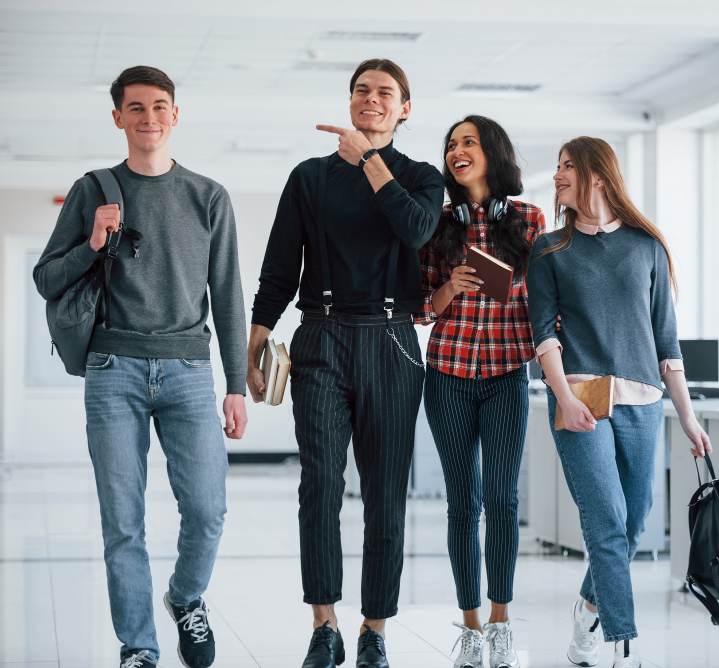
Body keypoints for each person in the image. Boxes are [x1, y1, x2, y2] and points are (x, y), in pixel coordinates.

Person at [33, 66, 248, 668]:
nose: (148, 117)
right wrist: (92, 245)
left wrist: (237, 387)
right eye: (136, 108)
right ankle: (139, 647)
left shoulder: (208, 196)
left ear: (175, 115)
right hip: (113, 370)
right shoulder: (92, 190)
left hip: (186, 371)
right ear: (118, 118)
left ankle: (184, 598)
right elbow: (46, 277)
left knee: (207, 510)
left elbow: (228, 295)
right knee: (123, 523)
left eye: (159, 106)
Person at [247, 59, 444, 668]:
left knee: (386, 495)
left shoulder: (420, 176)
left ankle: (374, 630)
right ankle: (325, 627)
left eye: (386, 93)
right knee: (321, 487)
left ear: (404, 108)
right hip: (322, 340)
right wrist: (252, 346)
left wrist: (369, 161)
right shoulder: (308, 178)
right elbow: (279, 267)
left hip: (393, 342)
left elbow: (415, 231)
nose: (372, 99)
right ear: (350, 101)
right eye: (362, 90)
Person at [526, 137, 712, 668]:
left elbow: (666, 344)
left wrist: (690, 418)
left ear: (598, 176)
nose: (558, 174)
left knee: (635, 519)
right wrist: (563, 397)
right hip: (579, 396)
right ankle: (621, 644)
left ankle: (588, 609)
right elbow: (544, 337)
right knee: (606, 516)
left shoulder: (645, 246)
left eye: (567, 167)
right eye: (557, 166)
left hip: (642, 400)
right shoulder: (549, 248)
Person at [418, 116, 544, 668]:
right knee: (462, 502)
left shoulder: (530, 220)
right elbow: (421, 309)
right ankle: (469, 627)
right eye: (450, 145)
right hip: (447, 373)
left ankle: (500, 623)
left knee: (503, 499)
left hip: (506, 375)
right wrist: (449, 285)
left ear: (493, 152)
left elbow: (545, 304)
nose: (457, 151)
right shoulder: (437, 224)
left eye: (468, 142)